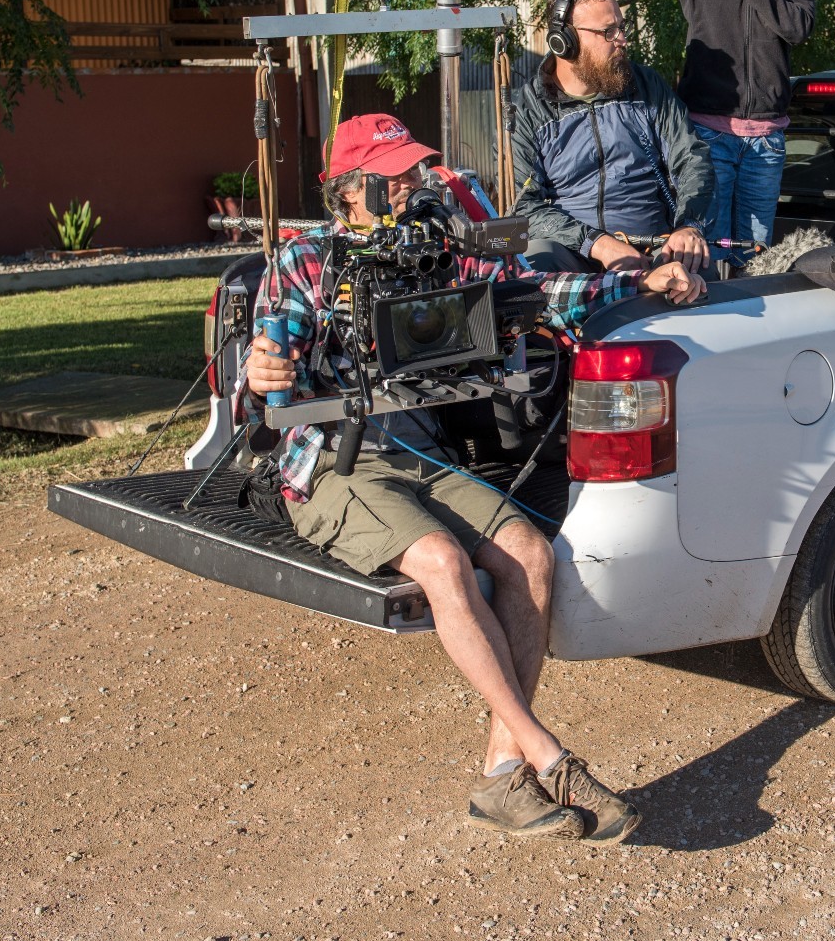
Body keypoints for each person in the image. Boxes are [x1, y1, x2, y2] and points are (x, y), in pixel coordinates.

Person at [240, 112, 705, 842]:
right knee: (442, 561)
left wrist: (636, 279)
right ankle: (547, 753)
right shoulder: (307, 259)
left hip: (418, 453)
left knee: (529, 553)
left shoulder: (441, 251)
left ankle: (500, 772)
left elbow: (537, 293)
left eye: (418, 172)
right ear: (354, 190)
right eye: (400, 177)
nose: (418, 186)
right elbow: (267, 369)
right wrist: (263, 368)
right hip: (333, 461)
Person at [556, 0, 815, 266]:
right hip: (708, 136)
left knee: (756, 256)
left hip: (765, 142)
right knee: (705, 254)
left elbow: (797, 28)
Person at [511, 0, 714, 275]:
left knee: (693, 270)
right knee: (534, 262)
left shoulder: (647, 87)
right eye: (609, 32)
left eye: (621, 27)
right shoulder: (527, 111)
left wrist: (688, 225)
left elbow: (692, 158)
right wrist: (598, 244)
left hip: (652, 246)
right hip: (569, 251)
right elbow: (525, 207)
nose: (622, 39)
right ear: (564, 41)